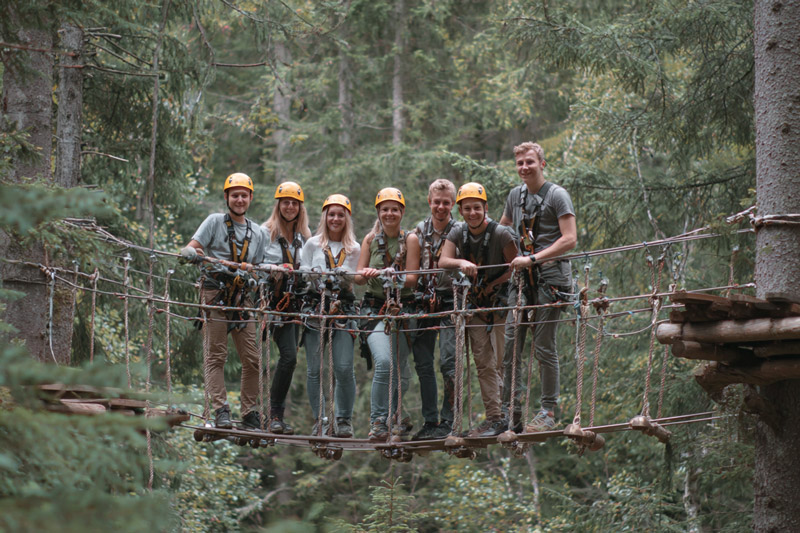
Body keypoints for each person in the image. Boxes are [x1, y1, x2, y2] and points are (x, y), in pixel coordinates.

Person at [181, 172, 270, 430]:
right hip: (216, 294)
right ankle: (220, 409)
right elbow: (195, 246)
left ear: (250, 198)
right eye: (235, 195)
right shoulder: (214, 222)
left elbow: (259, 267)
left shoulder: (259, 233)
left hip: (242, 298)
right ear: (227, 198)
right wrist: (192, 254)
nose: (239, 200)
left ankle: (249, 411)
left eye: (244, 195)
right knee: (216, 355)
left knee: (252, 359)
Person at [499, 142, 577, 432]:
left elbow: (570, 239)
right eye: (519, 163)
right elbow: (504, 229)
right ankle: (511, 410)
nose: (524, 168)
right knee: (510, 345)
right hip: (522, 281)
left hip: (550, 278)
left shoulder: (557, 195)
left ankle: (547, 411)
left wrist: (532, 258)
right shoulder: (514, 196)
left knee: (544, 346)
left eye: (530, 162)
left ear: (542, 163)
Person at [439, 182, 519, 437]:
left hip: (499, 303)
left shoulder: (501, 234)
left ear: (486, 208)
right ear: (460, 211)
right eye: (467, 208)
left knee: (501, 360)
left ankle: (510, 414)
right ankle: (495, 417)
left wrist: (492, 283)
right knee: (483, 362)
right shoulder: (458, 234)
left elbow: (514, 266)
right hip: (474, 304)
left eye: (477, 208)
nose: (472, 213)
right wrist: (461, 261)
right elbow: (444, 260)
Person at [355, 187, 420, 442]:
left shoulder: (411, 239)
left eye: (394, 209)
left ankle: (396, 415)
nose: (390, 213)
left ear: (402, 212)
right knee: (383, 362)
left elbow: (413, 279)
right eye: (385, 209)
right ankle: (378, 421)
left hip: (403, 309)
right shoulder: (370, 240)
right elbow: (358, 278)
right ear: (379, 213)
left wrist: (395, 277)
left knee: (401, 369)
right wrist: (369, 271)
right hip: (374, 309)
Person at [299, 194, 360, 437]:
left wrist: (347, 277)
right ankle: (320, 419)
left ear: (347, 218)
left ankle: (343, 419)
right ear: (325, 217)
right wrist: (311, 273)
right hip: (316, 306)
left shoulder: (354, 248)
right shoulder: (312, 244)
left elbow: (358, 278)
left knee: (344, 367)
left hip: (343, 308)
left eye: (340, 214)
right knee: (315, 369)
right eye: (331, 214)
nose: (335, 219)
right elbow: (302, 269)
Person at [260, 181, 312, 434]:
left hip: (290, 305)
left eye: (294, 203)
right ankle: (251, 412)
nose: (290, 207)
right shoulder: (264, 232)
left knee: (289, 358)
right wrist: (273, 269)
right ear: (278, 205)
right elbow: (252, 261)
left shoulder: (305, 238)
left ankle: (274, 414)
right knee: (253, 359)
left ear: (300, 207)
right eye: (285, 202)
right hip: (264, 301)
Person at [410, 179, 458, 440]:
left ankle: (449, 421)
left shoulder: (460, 230)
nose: (441, 207)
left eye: (446, 203)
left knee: (449, 362)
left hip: (451, 301)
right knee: (423, 363)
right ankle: (430, 422)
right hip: (424, 299)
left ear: (453, 205)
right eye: (436, 202)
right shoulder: (419, 230)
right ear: (429, 202)